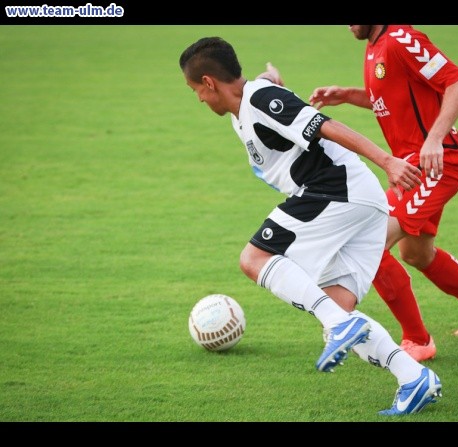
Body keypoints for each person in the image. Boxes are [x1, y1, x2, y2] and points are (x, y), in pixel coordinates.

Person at [179, 36, 442, 416]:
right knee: (338, 308)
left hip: (336, 190)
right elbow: (271, 98)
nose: (200, 101)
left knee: (254, 258)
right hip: (359, 203)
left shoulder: (259, 101)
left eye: (195, 91)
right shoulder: (255, 99)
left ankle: (339, 325)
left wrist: (387, 162)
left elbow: (326, 125)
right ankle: (414, 379)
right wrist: (273, 79)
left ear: (208, 82)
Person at [309, 25, 458, 362]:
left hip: (437, 163)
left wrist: (434, 139)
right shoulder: (375, 46)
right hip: (411, 169)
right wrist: (347, 94)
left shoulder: (402, 39)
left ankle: (417, 340)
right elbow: (392, 99)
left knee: (369, 244)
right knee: (417, 254)